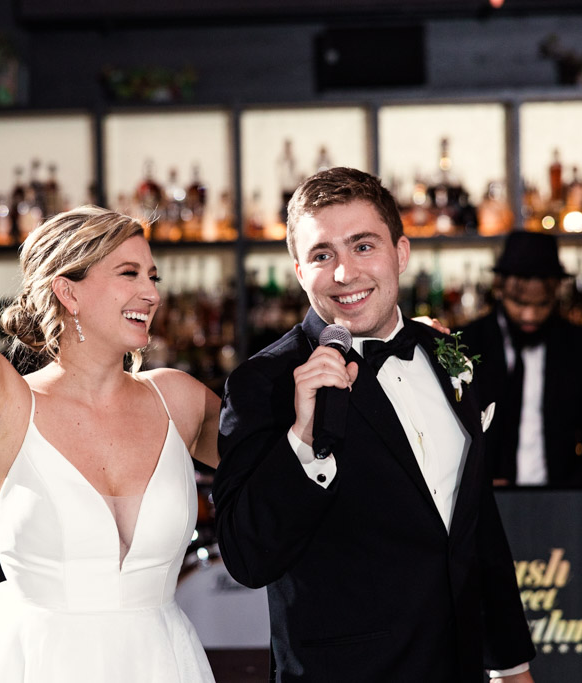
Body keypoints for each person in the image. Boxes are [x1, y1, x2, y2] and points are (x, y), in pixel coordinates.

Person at [0, 18, 219, 681]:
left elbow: (284, 466)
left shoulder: (179, 399)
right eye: (128, 273)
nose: (151, 291)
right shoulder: (5, 406)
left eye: (153, 275)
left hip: (164, 662)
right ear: (68, 294)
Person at [212, 167, 536, 682]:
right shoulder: (264, 383)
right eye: (323, 255)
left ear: (401, 253)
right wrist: (302, 440)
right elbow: (248, 557)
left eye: (363, 246)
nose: (344, 273)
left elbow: (476, 528)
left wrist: (511, 665)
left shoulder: (449, 355)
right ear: (300, 271)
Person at [459, 231, 582, 487]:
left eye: (542, 304)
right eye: (519, 303)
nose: (530, 316)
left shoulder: (581, 347)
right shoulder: (466, 343)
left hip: (560, 502)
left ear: (555, 294)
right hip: (481, 506)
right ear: (500, 290)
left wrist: (572, 495)